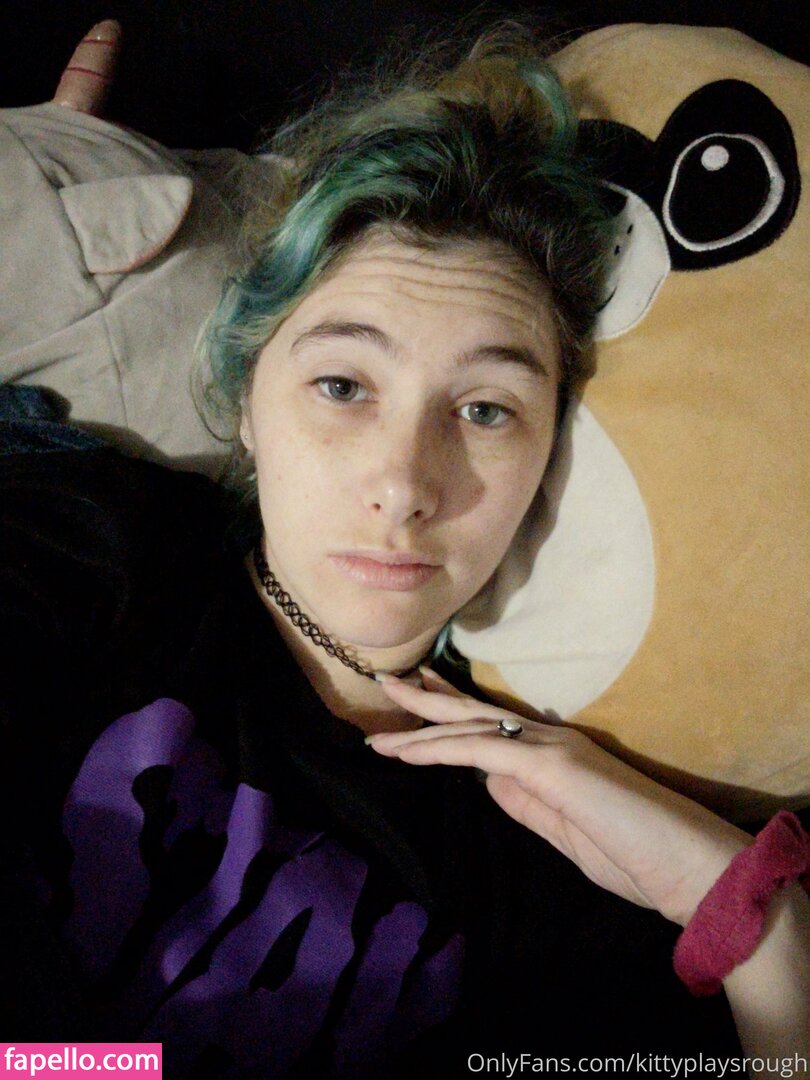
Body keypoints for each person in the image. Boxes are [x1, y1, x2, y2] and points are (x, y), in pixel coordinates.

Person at [1, 20, 808, 1080]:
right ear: (247, 402)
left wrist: (751, 917)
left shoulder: (552, 841)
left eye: (485, 409)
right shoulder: (93, 545)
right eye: (343, 386)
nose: (405, 484)